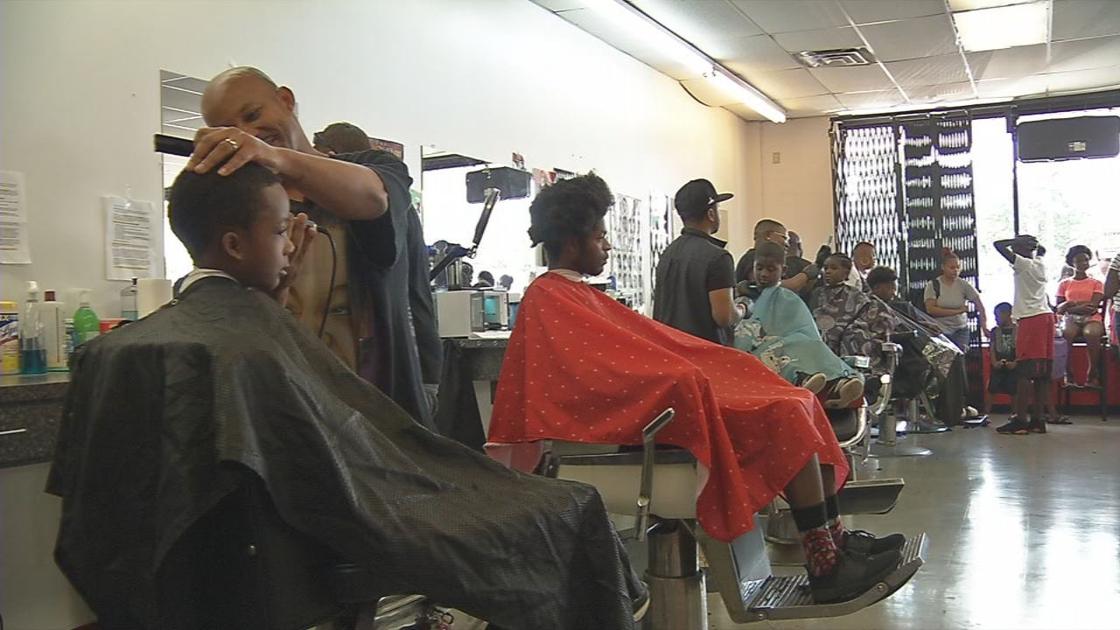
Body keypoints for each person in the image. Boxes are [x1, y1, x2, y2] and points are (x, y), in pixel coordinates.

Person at [50, 163, 650, 629]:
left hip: (204, 585)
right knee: (564, 508)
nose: (292, 246)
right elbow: (322, 472)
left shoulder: (122, 348)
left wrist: (276, 300)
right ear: (234, 245)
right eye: (281, 231)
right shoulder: (247, 345)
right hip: (300, 560)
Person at [491, 174, 903, 604]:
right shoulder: (549, 298)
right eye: (600, 237)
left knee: (798, 399)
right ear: (574, 243)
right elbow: (589, 378)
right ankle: (825, 567)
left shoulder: (582, 290)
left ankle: (835, 543)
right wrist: (680, 377)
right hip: (642, 424)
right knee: (785, 412)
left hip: (665, 401)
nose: (608, 246)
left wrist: (700, 367)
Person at [191, 66, 434, 428]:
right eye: (230, 130)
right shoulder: (241, 205)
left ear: (285, 100)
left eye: (253, 115)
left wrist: (275, 157)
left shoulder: (375, 168)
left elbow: (374, 199)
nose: (247, 134)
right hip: (288, 408)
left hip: (379, 407)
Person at [313, 120, 443, 418]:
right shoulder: (403, 212)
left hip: (402, 359)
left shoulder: (381, 212)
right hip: (417, 354)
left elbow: (405, 293)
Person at [734, 242, 864, 408]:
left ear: (783, 271)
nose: (764, 274)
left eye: (771, 269)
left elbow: (805, 328)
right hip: (760, 346)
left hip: (793, 341)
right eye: (759, 269)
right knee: (785, 351)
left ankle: (842, 383)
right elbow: (742, 332)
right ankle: (804, 379)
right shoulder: (745, 297)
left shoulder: (788, 297)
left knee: (813, 345)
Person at [866, 265, 970, 425]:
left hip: (909, 350)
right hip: (898, 356)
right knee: (945, 361)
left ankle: (955, 409)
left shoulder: (899, 306)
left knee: (954, 356)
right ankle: (949, 413)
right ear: (877, 287)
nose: (894, 291)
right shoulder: (870, 306)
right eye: (890, 287)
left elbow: (912, 323)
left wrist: (924, 324)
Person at [653, 179, 742, 345]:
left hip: (670, 350)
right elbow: (724, 317)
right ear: (711, 214)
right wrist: (743, 308)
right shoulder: (718, 257)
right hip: (704, 353)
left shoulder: (667, 253)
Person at [993, 235, 1053, 435]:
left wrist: (1014, 241)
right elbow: (1040, 250)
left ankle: (1020, 420)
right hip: (1046, 317)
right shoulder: (1040, 263)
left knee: (1024, 372)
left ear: (1022, 249)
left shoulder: (1024, 264)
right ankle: (1038, 420)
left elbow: (997, 245)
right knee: (1041, 373)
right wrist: (1028, 244)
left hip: (1031, 318)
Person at [811, 254, 896, 377]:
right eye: (825, 268)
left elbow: (874, 317)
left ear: (846, 273)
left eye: (833, 268)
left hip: (845, 345)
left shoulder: (857, 296)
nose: (828, 271)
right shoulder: (815, 294)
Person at [1056, 245, 1105, 388]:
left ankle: (1092, 374)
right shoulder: (1064, 284)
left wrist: (1070, 305)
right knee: (1066, 334)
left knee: (1092, 333)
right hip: (1070, 318)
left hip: (1091, 318)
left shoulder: (1096, 283)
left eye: (1086, 260)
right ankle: (1068, 374)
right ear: (1072, 263)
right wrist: (1076, 306)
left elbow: (1092, 306)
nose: (1083, 263)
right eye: (1079, 261)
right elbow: (1059, 308)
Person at [923, 248, 988, 352]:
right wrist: (958, 311)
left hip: (960, 329)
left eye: (958, 267)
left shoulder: (963, 285)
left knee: (960, 355)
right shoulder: (933, 285)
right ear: (943, 267)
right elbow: (931, 310)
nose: (955, 270)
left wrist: (984, 327)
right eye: (952, 267)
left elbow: (980, 306)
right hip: (940, 329)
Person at [734, 219, 819, 294]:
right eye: (784, 238)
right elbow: (769, 288)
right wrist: (805, 275)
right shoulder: (753, 257)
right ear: (768, 236)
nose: (787, 244)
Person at [987, 303, 1019, 415]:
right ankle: (987, 413)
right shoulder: (995, 331)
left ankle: (1015, 413)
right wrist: (994, 362)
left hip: (1013, 364)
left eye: (998, 316)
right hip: (998, 364)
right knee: (991, 388)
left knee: (1014, 389)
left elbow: (1022, 349)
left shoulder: (1018, 330)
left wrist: (1015, 363)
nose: (996, 319)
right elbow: (992, 349)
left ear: (1007, 314)